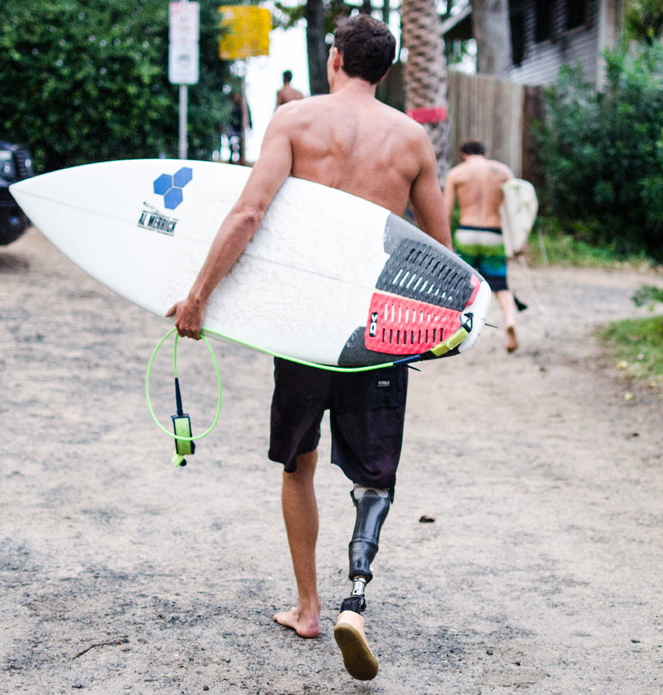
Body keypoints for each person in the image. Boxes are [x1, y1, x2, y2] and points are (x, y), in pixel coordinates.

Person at [165, 15, 450, 681]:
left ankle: (308, 605)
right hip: (372, 327)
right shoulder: (411, 141)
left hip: (302, 323)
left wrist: (199, 296)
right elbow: (439, 251)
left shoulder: (295, 124)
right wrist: (436, 329)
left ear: (336, 59)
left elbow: (247, 214)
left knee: (299, 462)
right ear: (383, 69)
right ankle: (356, 594)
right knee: (374, 471)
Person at [444, 140, 520, 353]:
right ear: (486, 153)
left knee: (458, 284)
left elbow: (446, 211)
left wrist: (445, 243)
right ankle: (510, 321)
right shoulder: (502, 171)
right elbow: (517, 209)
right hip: (493, 234)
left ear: (463, 155)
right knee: (501, 285)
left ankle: (450, 331)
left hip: (466, 232)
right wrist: (518, 241)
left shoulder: (456, 173)